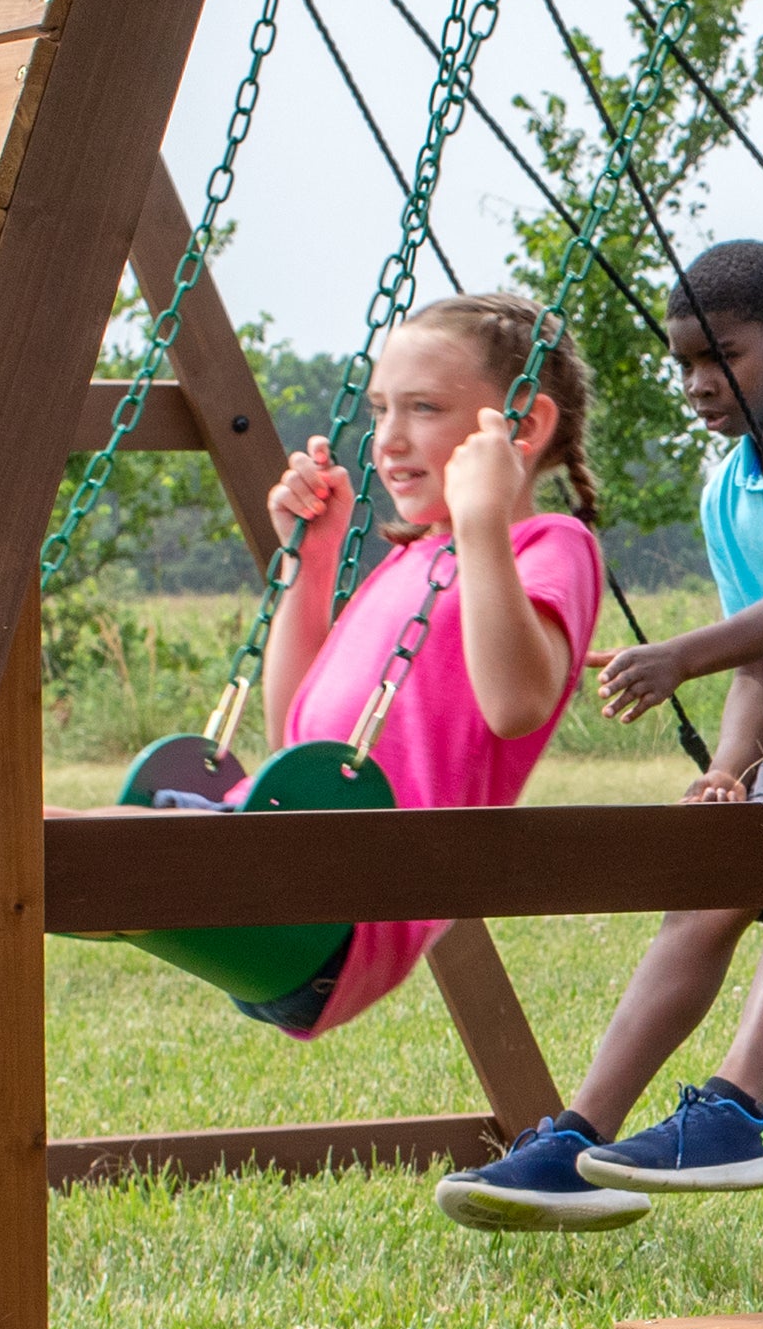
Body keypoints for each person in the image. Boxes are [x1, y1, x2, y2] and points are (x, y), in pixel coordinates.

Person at [436, 241, 763, 1233]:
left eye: (724, 356)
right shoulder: (726, 490)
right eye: (685, 363)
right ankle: (577, 1138)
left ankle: (740, 1103)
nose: (700, 384)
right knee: (704, 877)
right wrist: (730, 767)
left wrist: (679, 656)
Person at [212, 292, 604, 1037]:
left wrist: (482, 519)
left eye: (423, 408)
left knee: (57, 852)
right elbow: (293, 736)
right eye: (380, 409)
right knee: (67, 847)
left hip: (343, 917)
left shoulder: (549, 546)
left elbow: (516, 705)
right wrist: (311, 561)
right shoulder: (412, 561)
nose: (387, 439)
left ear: (522, 426)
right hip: (277, 855)